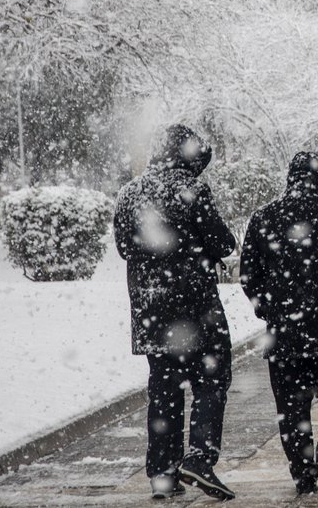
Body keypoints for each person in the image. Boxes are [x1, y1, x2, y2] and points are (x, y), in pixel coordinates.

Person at [113, 124, 238, 501]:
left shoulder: (130, 193)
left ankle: (162, 474)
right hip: (195, 306)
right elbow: (222, 241)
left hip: (152, 308)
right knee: (211, 378)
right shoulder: (191, 190)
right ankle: (199, 457)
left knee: (164, 391)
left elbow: (124, 247)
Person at [240, 152, 318, 495]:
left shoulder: (265, 218)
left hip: (286, 331)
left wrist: (269, 310)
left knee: (290, 401)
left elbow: (249, 276)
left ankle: (302, 468)